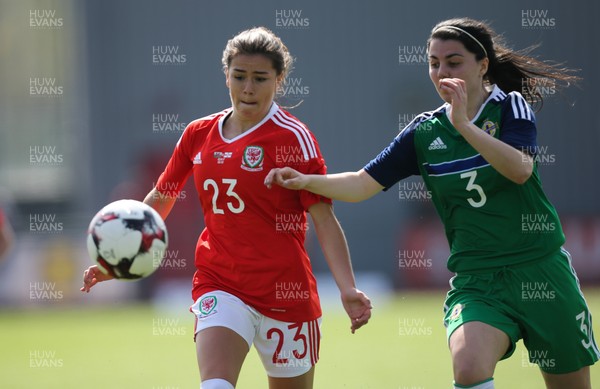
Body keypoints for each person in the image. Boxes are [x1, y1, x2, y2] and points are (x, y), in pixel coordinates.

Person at [265, 17, 598, 389]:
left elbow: (519, 169)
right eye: (434, 63)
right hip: (478, 279)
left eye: (453, 62)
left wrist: (465, 127)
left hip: (541, 271)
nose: (442, 72)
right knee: (469, 367)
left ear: (482, 65)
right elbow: (362, 184)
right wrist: (305, 179)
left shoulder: (510, 107)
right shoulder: (423, 132)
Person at [81, 27, 372, 389]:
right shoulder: (198, 134)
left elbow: (323, 218)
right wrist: (120, 261)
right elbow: (162, 195)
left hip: (286, 292)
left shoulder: (293, 138)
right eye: (239, 76)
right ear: (226, 77)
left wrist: (347, 288)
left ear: (279, 80)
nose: (248, 88)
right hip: (220, 283)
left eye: (260, 78)